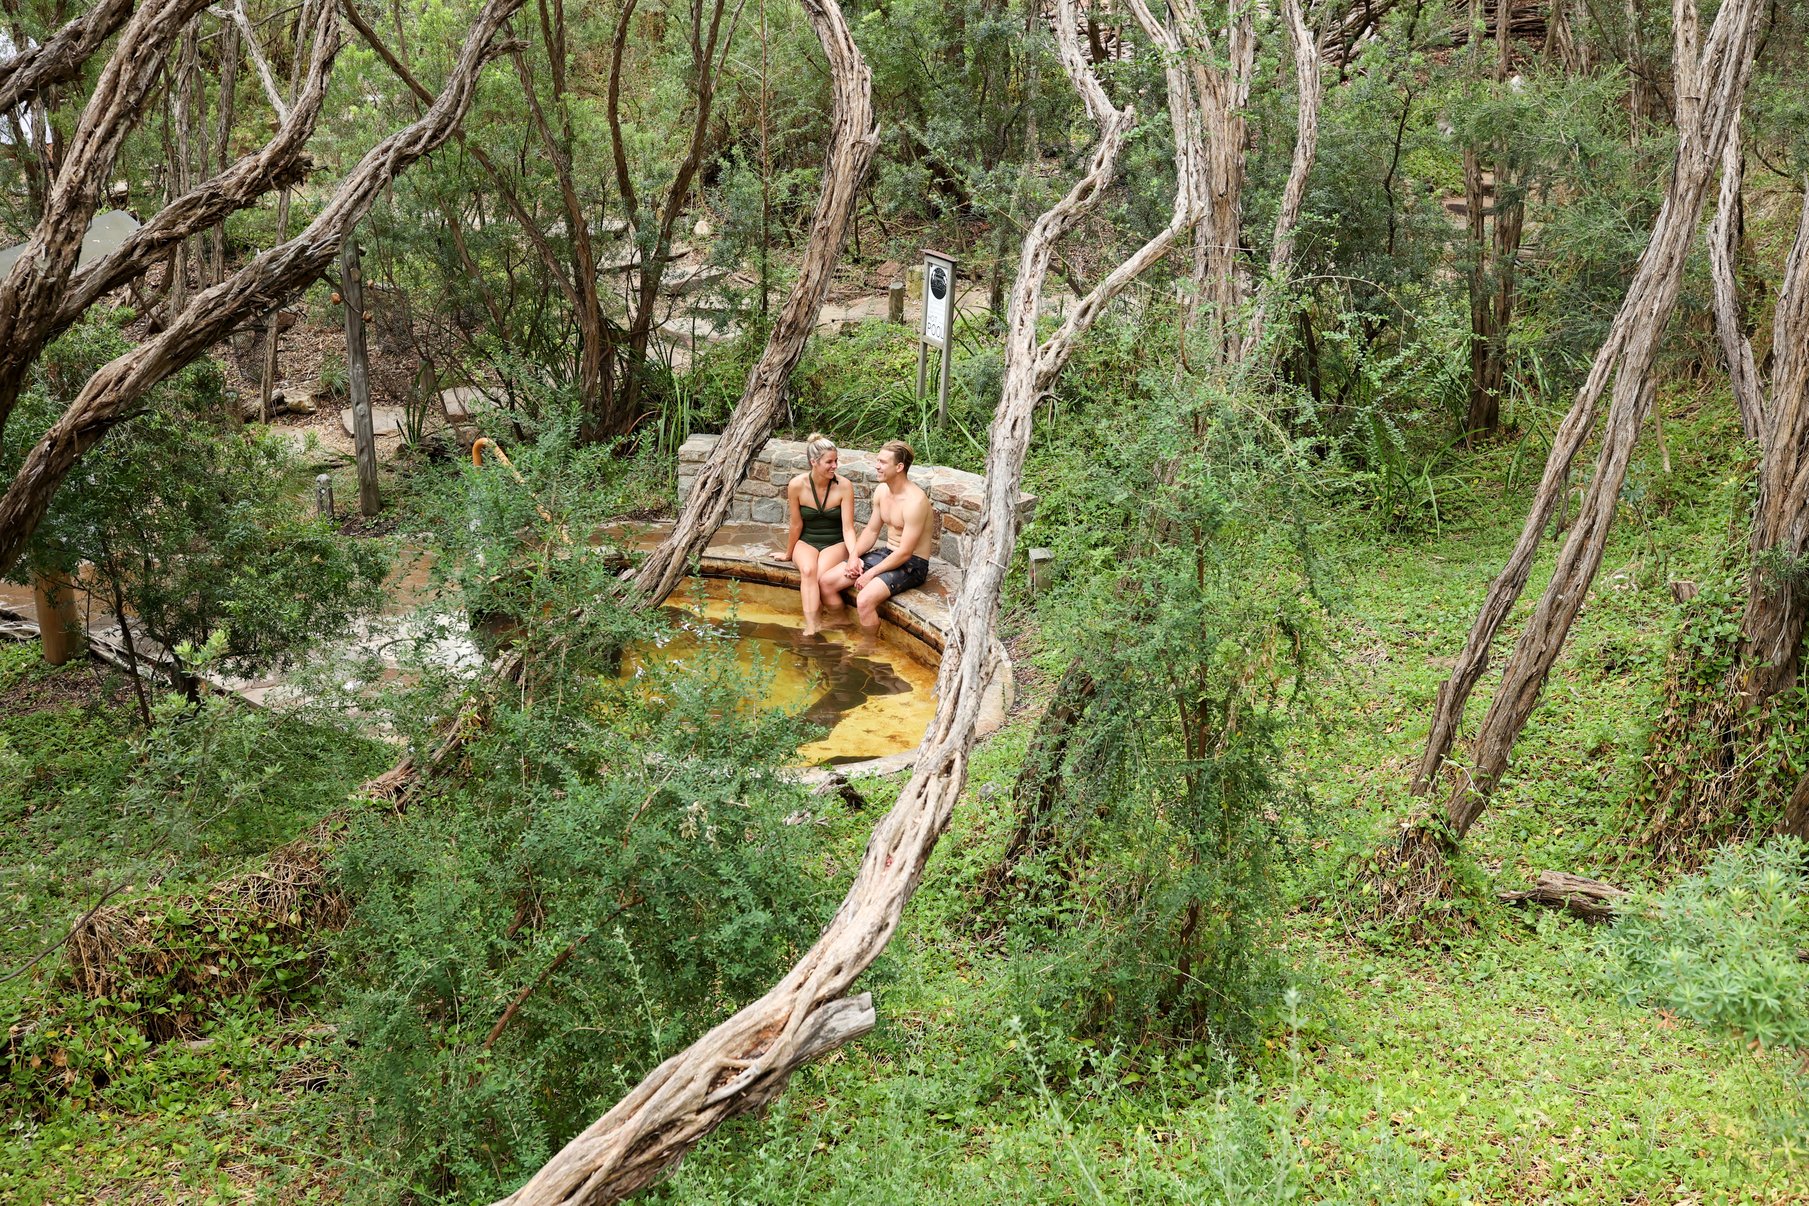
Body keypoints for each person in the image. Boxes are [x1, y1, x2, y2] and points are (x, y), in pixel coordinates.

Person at [820, 439, 933, 635]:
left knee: (864, 599)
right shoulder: (882, 491)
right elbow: (872, 531)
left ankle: (868, 649)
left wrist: (870, 574)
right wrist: (854, 556)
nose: (877, 466)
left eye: (882, 462)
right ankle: (842, 624)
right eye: (877, 460)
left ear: (899, 467)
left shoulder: (915, 502)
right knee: (826, 582)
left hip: (912, 564)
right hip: (887, 553)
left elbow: (905, 552)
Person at [780, 433, 859, 635]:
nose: (835, 466)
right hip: (807, 540)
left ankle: (839, 619)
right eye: (829, 462)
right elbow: (796, 524)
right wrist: (789, 554)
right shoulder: (796, 485)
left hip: (834, 542)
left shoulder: (844, 486)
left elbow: (848, 528)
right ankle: (812, 625)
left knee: (820, 575)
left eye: (836, 461)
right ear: (813, 462)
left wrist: (853, 556)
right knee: (807, 570)